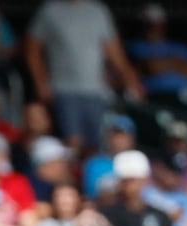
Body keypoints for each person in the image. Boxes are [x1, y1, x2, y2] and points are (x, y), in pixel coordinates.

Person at [25, 0, 142, 153]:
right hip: (64, 90)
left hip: (97, 91)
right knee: (73, 144)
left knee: (99, 144)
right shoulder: (50, 10)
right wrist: (40, 82)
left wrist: (131, 80)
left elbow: (114, 50)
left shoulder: (99, 11)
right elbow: (32, 48)